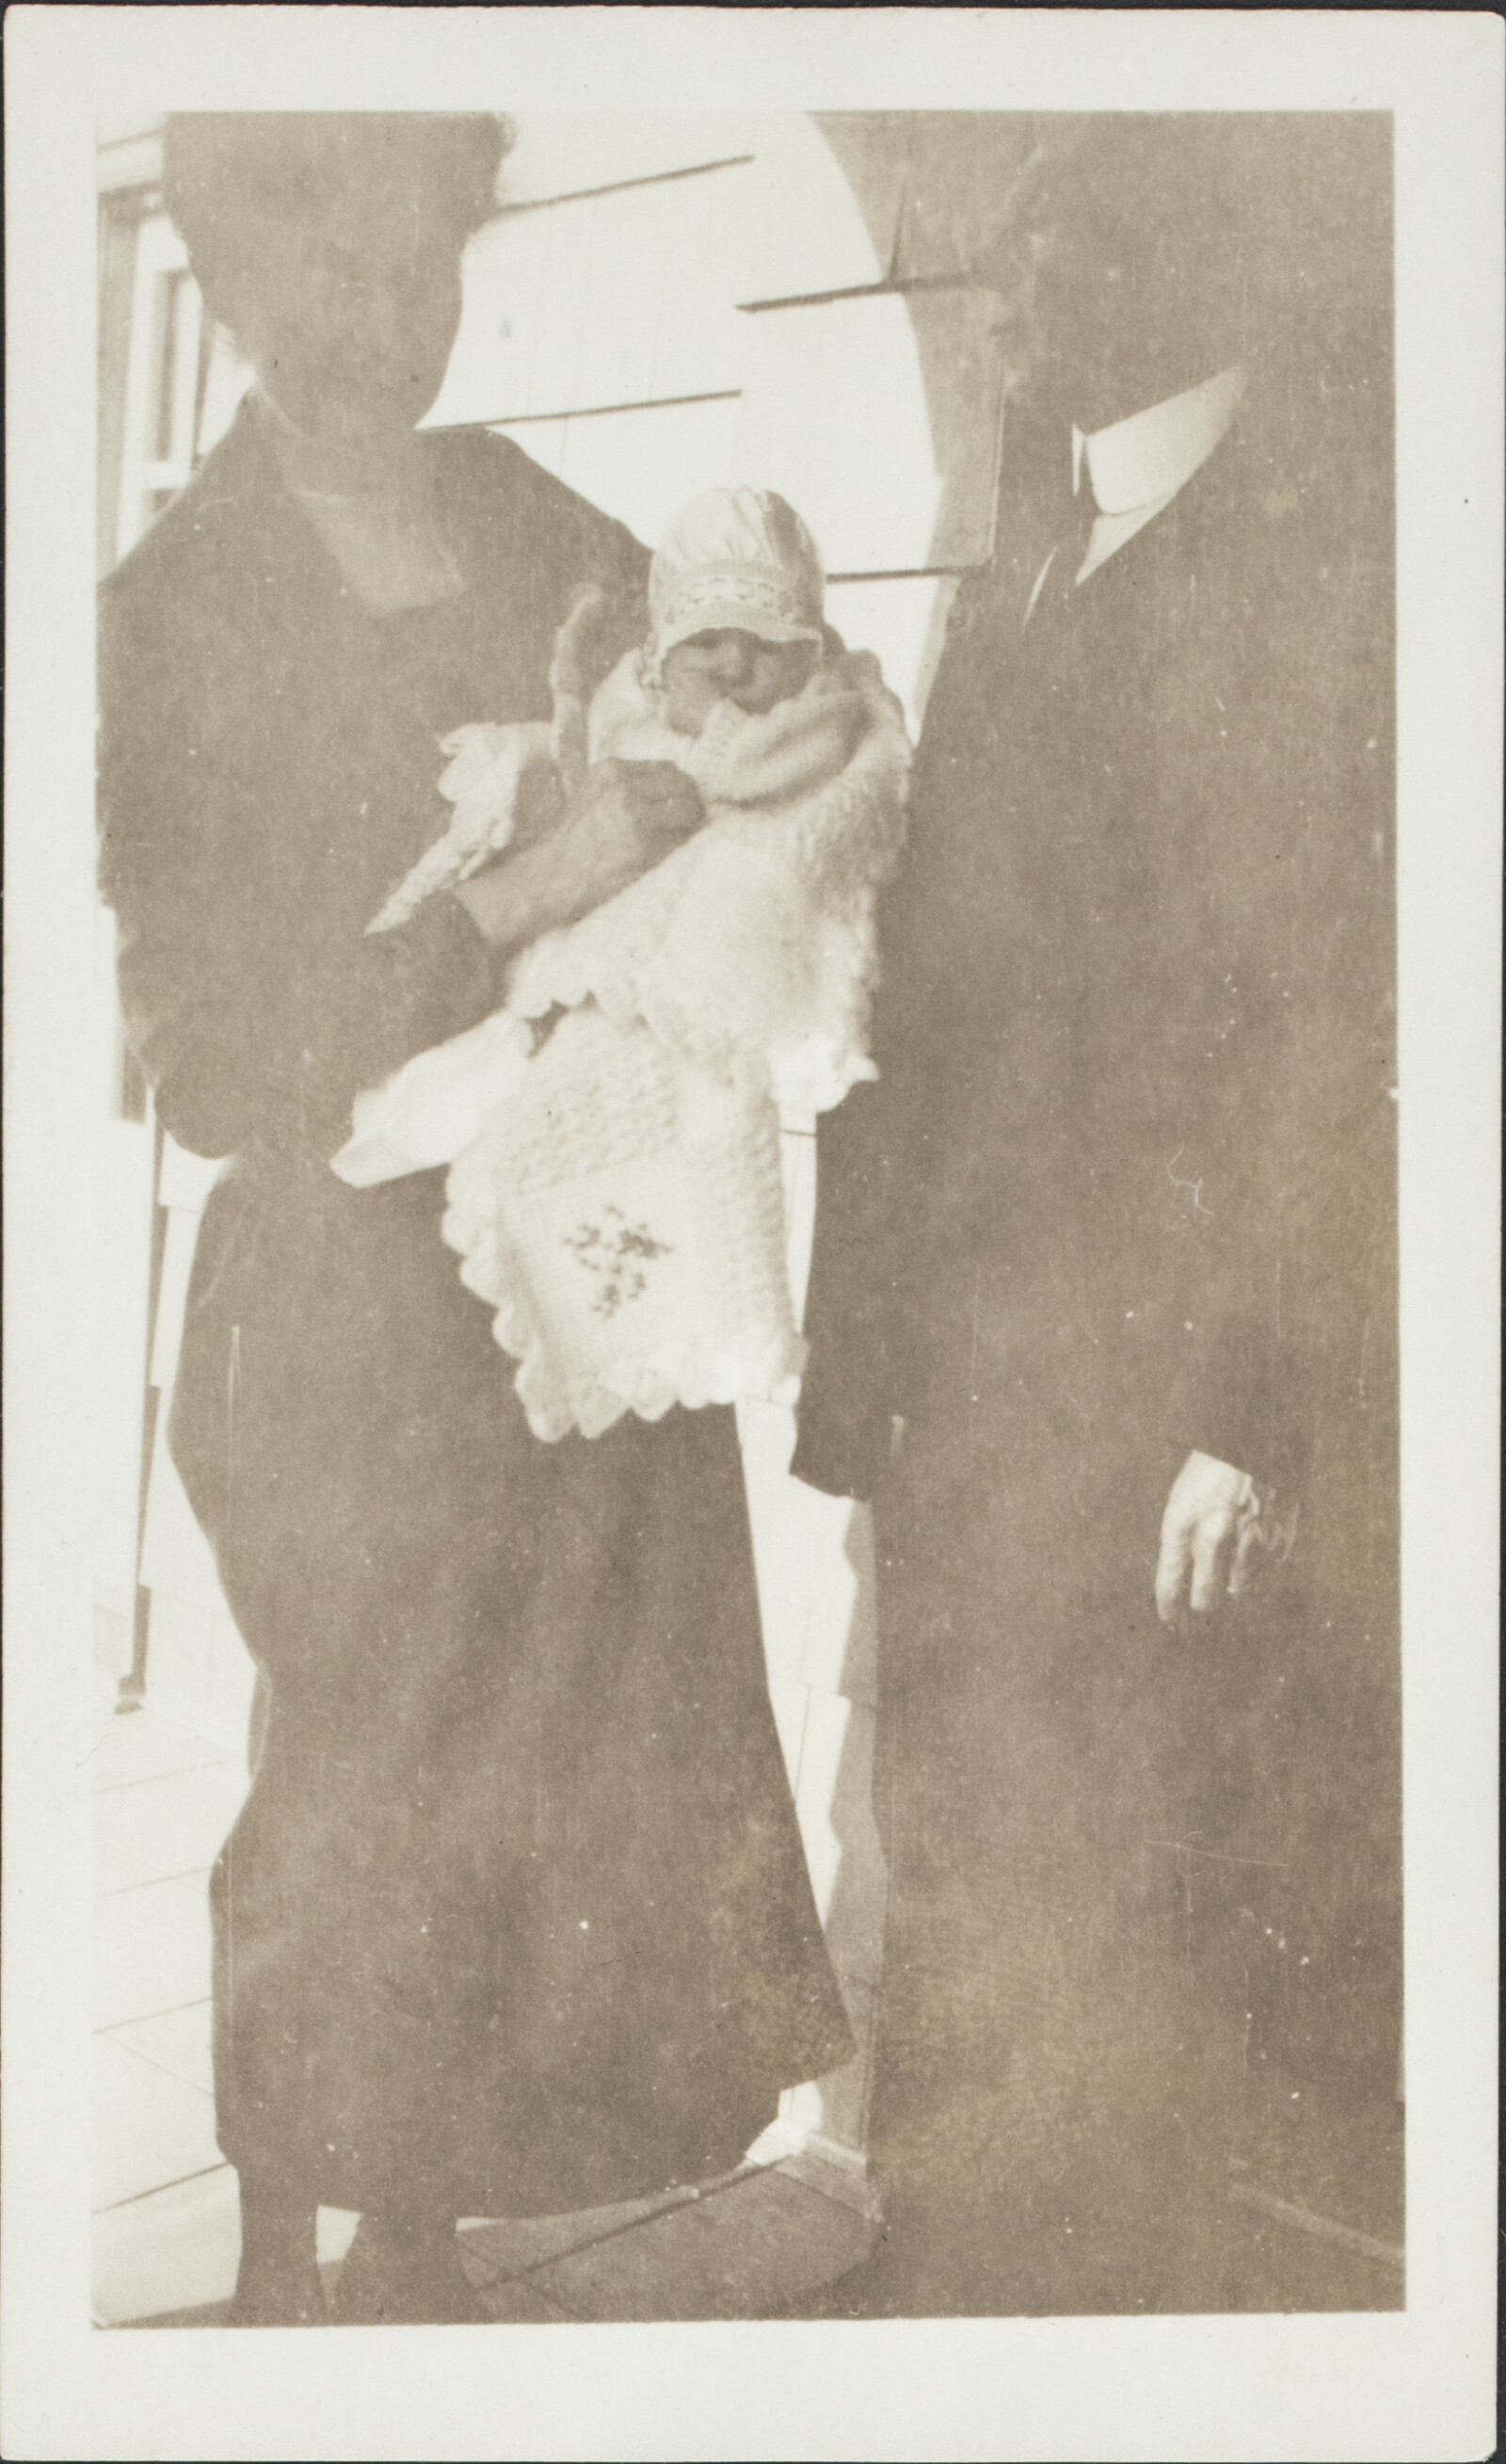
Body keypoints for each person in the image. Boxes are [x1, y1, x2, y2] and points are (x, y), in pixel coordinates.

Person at [98, 114, 851, 2327]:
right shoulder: (165, 614)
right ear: (233, 280)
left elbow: (735, 734)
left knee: (524, 1791)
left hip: (564, 1257)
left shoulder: (536, 522)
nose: (377, 327)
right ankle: (267, 2257)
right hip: (337, 1305)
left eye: (416, 273)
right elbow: (220, 1057)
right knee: (350, 1772)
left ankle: (413, 2231)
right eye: (328, 277)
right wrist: (531, 884)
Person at [792, 115, 1400, 2312]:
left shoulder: (1293, 568)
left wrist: (1245, 1410)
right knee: (954, 1808)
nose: (1007, 301)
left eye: (1041, 255)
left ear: (1158, 260)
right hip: (960, 1363)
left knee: (1118, 1858)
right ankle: (941, 2248)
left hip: (1139, 1389)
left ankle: (1077, 2321)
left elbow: (1320, 1035)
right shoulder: (1041, 544)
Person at [332, 485, 911, 1443]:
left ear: (807, 658)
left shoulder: (812, 737)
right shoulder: (629, 717)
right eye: (708, 639)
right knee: (491, 1077)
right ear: (659, 656)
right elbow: (577, 792)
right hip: (560, 962)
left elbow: (799, 838)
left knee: (615, 1097)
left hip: (668, 992)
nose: (734, 664)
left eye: (765, 645)